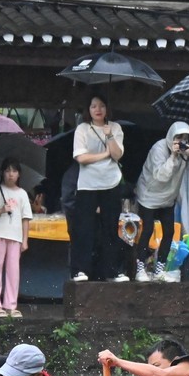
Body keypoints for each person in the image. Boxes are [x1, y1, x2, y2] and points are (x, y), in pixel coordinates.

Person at [134, 121, 189, 282]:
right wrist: (173, 156)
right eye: (178, 138)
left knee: (169, 232)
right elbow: (161, 176)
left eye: (185, 139)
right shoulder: (158, 149)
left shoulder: (184, 151)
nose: (180, 142)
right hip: (149, 195)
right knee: (147, 230)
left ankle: (160, 268)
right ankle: (140, 268)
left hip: (168, 198)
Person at [70, 93, 125, 283]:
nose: (98, 109)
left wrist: (109, 136)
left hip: (111, 182)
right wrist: (104, 155)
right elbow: (81, 158)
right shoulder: (83, 129)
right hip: (88, 184)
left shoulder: (115, 128)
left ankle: (111, 270)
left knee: (110, 227)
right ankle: (80, 270)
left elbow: (117, 155)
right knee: (84, 227)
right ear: (89, 110)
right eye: (94, 106)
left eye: (102, 105)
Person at [0, 157, 32, 319]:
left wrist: (25, 240)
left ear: (19, 174)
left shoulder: (23, 194)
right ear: (2, 173)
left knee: (13, 271)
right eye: (7, 170)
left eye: (14, 171)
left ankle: (11, 305)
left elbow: (26, 218)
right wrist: (1, 210)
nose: (11, 174)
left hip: (15, 237)